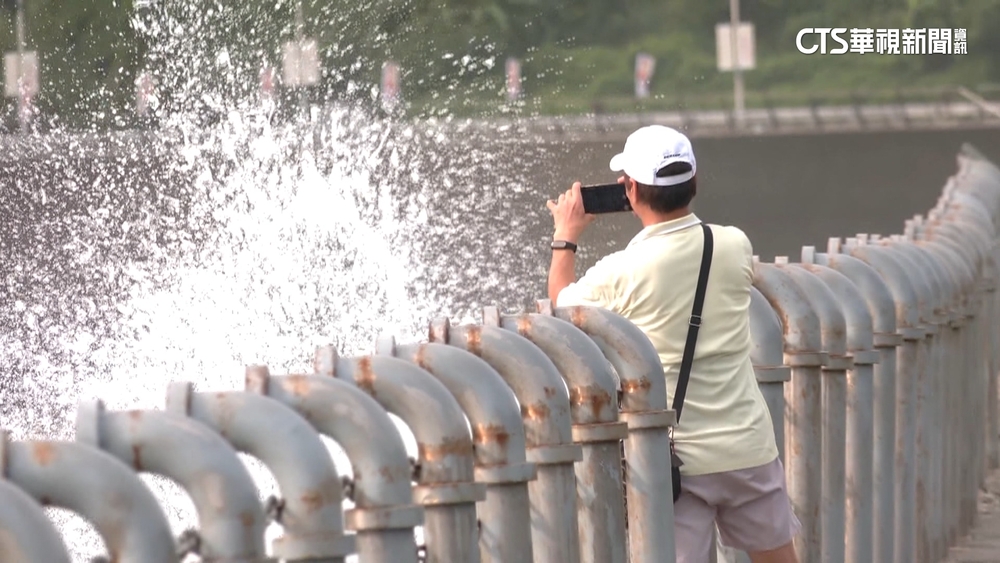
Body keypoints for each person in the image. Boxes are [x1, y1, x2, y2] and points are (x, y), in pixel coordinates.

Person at [545, 125, 801, 563]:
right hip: (747, 445)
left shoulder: (620, 272)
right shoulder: (734, 244)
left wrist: (566, 236)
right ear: (694, 184)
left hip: (675, 461)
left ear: (629, 189)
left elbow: (561, 307)